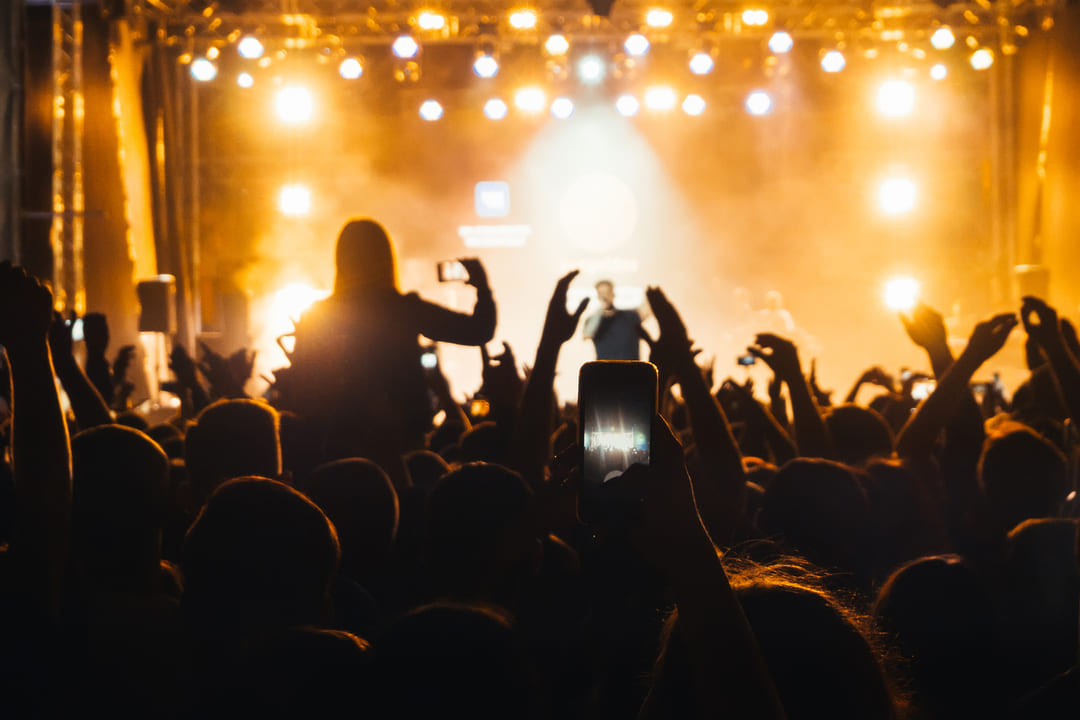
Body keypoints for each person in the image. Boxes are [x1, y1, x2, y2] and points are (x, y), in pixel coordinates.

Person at [282, 218, 496, 461]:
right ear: (386, 259)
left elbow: (302, 388)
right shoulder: (403, 310)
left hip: (336, 440)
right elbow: (478, 331)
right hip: (405, 437)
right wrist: (482, 287)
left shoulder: (319, 316)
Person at [582, 279, 649, 361]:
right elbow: (587, 334)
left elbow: (648, 307)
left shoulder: (630, 316)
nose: (605, 296)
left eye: (607, 292)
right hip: (604, 371)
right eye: (601, 293)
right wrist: (601, 308)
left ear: (613, 294)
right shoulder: (592, 320)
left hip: (631, 370)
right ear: (598, 296)